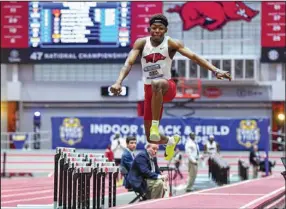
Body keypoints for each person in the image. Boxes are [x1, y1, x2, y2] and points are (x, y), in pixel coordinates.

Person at [110, 14, 231, 161]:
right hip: (149, 91)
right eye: (154, 28)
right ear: (149, 29)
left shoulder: (171, 43)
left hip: (167, 87)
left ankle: (156, 125)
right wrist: (118, 82)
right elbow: (128, 63)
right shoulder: (141, 43)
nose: (157, 31)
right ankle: (170, 141)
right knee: (151, 137)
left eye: (160, 28)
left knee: (157, 83)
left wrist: (215, 70)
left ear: (165, 30)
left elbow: (194, 57)